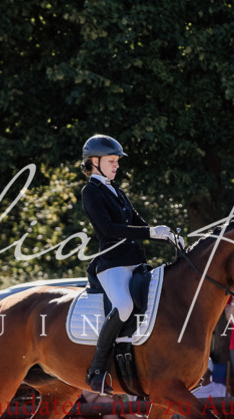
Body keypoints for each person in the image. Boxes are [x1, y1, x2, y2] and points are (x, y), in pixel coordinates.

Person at [80, 134, 183, 394]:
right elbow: (109, 228)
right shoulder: (91, 192)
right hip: (112, 265)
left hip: (136, 263)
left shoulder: (117, 191)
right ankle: (96, 368)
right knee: (124, 307)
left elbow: (138, 224)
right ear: (95, 161)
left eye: (117, 161)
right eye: (112, 161)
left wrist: (167, 237)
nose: (116, 165)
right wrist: (150, 233)